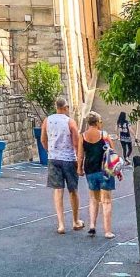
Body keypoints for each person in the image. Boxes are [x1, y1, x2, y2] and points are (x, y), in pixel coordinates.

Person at [41, 95, 84, 234]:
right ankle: (76, 221)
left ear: (56, 107)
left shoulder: (47, 120)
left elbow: (43, 139)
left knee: (58, 190)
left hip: (53, 158)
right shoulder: (70, 122)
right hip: (68, 158)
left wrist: (49, 150)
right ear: (65, 107)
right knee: (73, 190)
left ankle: (61, 224)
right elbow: (76, 143)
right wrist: (79, 163)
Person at [79, 112, 117, 239]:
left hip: (90, 170)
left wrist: (79, 168)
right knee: (106, 201)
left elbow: (80, 155)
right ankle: (107, 231)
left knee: (93, 199)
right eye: (100, 122)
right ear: (96, 122)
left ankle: (92, 226)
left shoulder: (83, 136)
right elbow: (113, 152)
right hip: (105, 171)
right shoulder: (104, 135)